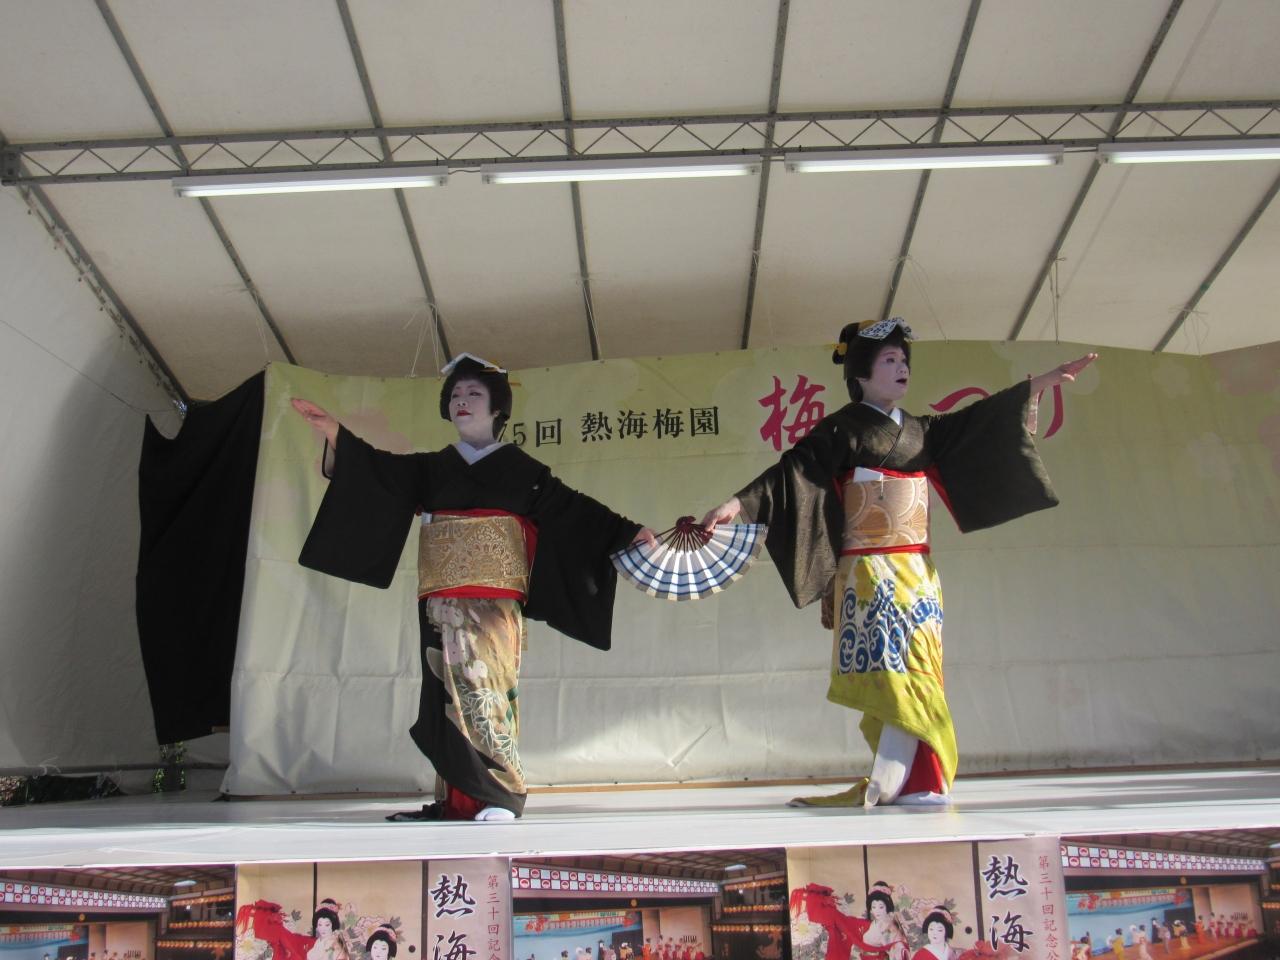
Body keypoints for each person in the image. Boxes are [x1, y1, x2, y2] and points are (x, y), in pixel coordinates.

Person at [701, 319, 1096, 806]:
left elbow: (980, 420)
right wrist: (736, 505)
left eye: (903, 360)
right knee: (890, 672)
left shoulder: (921, 430)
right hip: (868, 571)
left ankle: (917, 779)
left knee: (919, 668)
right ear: (861, 375)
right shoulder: (841, 429)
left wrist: (1040, 385)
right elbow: (793, 472)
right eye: (889, 360)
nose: (901, 367)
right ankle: (898, 779)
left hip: (917, 572)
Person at [294, 355, 653, 820]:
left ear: (497, 408)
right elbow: (378, 472)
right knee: (443, 693)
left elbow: (574, 511)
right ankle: (456, 801)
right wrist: (334, 433)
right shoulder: (432, 468)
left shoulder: (522, 470)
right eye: (456, 395)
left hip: (493, 602)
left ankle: (502, 795)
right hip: (439, 599)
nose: (462, 401)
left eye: (474, 394)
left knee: (487, 690)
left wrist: (628, 532)